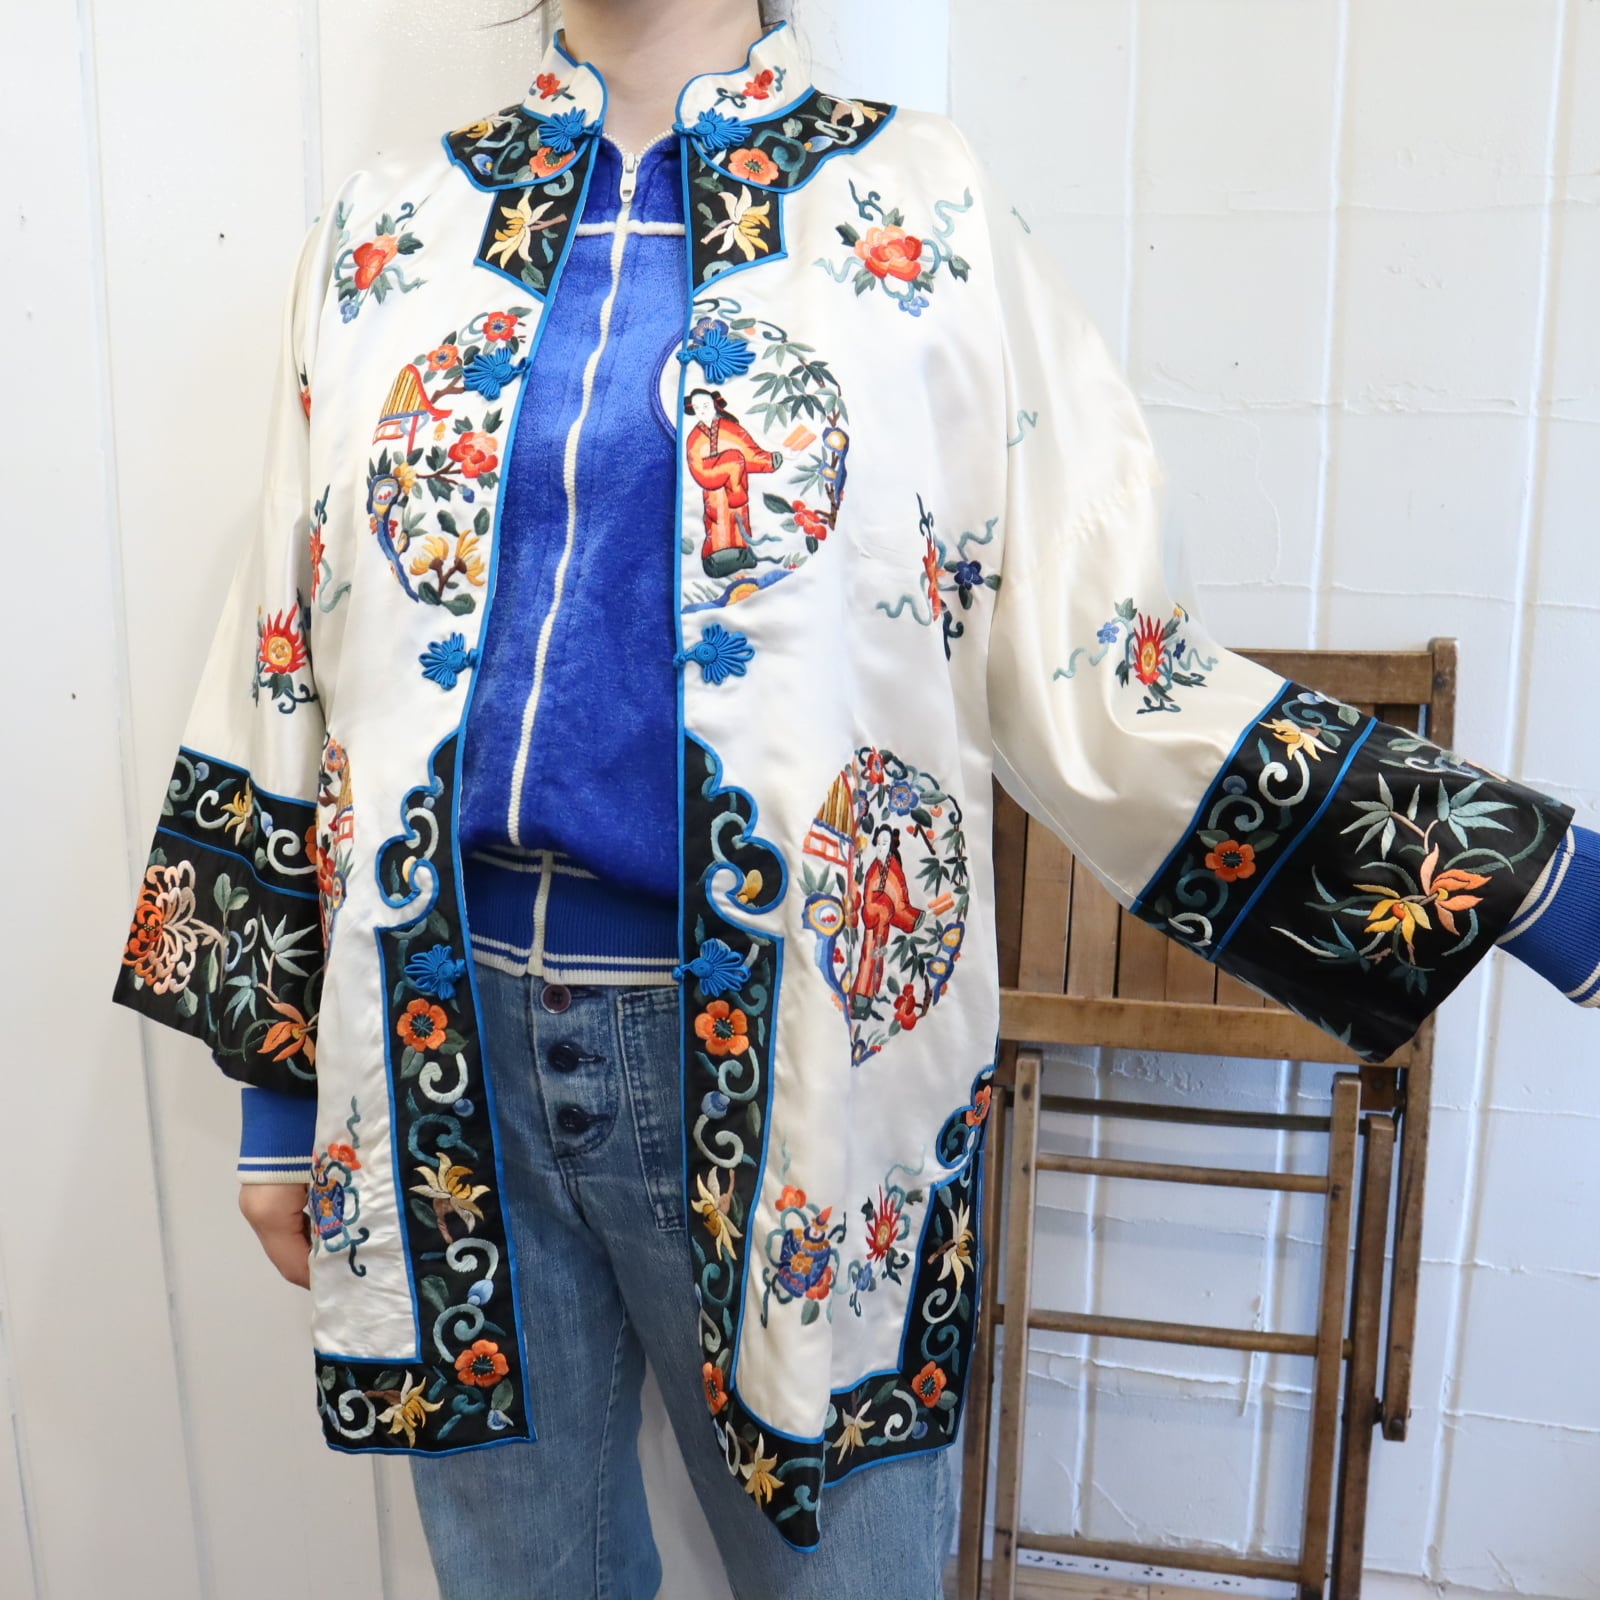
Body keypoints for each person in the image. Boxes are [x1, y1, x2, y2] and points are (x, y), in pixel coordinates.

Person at [110, 2, 1598, 1597]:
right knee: (518, 1578)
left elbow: (1096, 651)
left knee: (844, 1572)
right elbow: (288, 647)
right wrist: (281, 1098)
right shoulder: (388, 229)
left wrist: (1514, 872)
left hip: (799, 1041)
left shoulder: (915, 208)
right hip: (432, 1047)